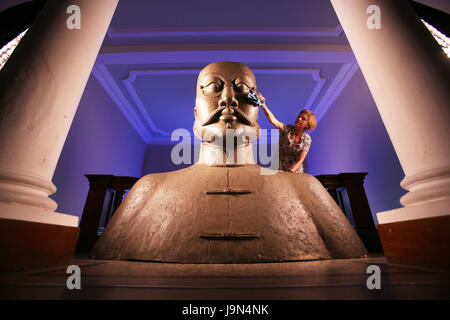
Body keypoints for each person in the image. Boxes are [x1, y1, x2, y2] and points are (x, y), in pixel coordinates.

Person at [258, 93, 316, 173]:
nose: (299, 119)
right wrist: (263, 105)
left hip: (295, 173)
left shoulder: (307, 139)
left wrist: (290, 172)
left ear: (307, 124)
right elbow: (272, 119)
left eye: (303, 119)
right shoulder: (286, 129)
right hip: (280, 170)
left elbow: (300, 160)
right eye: (298, 116)